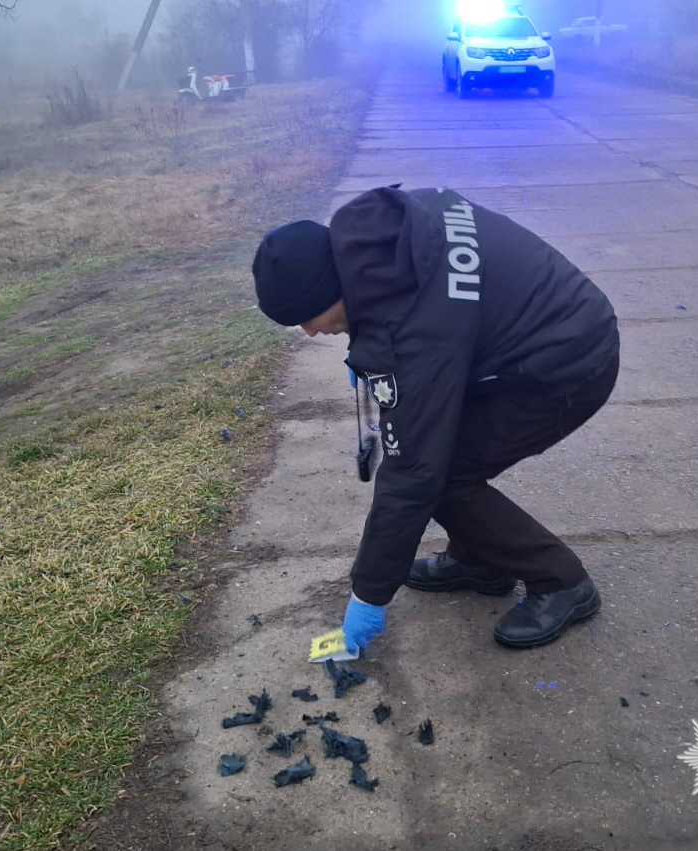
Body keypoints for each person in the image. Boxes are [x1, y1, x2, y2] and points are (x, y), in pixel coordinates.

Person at [252, 185, 619, 652]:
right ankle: (480, 560)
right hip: (544, 322)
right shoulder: (378, 230)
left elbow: (412, 473)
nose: (309, 332)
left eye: (308, 317)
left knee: (442, 474)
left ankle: (562, 582)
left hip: (567, 366)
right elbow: (422, 317)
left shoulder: (415, 331)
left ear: (333, 287)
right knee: (441, 457)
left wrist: (368, 594)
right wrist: (369, 356)